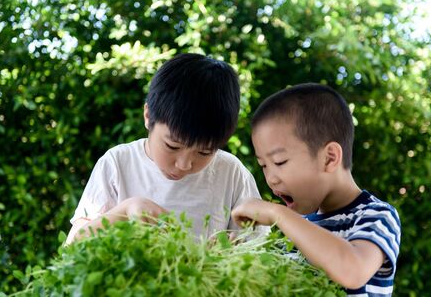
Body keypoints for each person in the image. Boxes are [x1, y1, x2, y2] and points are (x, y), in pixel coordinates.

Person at [66, 53, 266, 244]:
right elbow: (73, 246)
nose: (184, 164)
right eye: (172, 145)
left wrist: (232, 252)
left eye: (204, 152)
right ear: (147, 116)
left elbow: (258, 248)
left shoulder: (231, 173)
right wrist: (125, 211)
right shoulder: (117, 163)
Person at [231, 83, 401, 296]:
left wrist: (277, 213)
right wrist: (236, 257)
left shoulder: (376, 217)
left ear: (329, 158)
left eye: (280, 162)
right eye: (264, 166)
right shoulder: (297, 229)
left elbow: (353, 271)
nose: (271, 179)